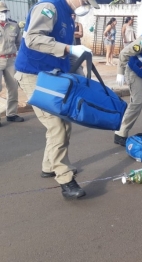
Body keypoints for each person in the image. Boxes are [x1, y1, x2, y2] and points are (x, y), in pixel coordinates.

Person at [14, 0, 99, 199]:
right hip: (32, 75)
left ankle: (49, 166)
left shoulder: (69, 17)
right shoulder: (49, 8)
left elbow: (65, 56)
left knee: (65, 123)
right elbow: (33, 39)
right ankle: (65, 179)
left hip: (51, 76)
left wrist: (84, 79)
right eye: (86, 1)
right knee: (56, 127)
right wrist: (69, 49)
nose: (86, 5)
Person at [0, 1, 23, 126]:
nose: (3, 13)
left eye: (4, 11)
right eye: (0, 12)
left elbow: (19, 43)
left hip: (11, 60)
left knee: (13, 87)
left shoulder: (14, 25)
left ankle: (11, 114)